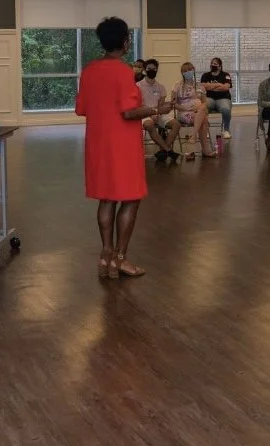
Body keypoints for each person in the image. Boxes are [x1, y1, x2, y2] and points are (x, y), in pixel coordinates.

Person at [75, 17, 159, 279]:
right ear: (125, 42)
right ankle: (121, 259)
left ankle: (105, 255)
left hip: (98, 143)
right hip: (122, 145)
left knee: (107, 198)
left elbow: (82, 108)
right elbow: (129, 112)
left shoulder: (89, 70)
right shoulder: (123, 72)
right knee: (131, 198)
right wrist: (155, 109)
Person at [138, 59, 180, 162]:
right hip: (144, 114)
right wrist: (151, 113)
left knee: (176, 124)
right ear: (144, 70)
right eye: (149, 69)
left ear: (157, 70)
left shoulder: (161, 87)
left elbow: (161, 105)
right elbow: (139, 105)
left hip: (158, 113)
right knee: (149, 125)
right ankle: (168, 150)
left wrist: (169, 105)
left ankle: (163, 150)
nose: (151, 71)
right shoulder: (138, 86)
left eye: (154, 69)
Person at [173, 62, 217, 159]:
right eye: (185, 71)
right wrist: (186, 108)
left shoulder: (200, 86)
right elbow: (174, 104)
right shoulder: (177, 86)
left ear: (193, 70)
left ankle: (192, 136)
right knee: (204, 120)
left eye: (190, 70)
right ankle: (205, 150)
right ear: (182, 73)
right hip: (184, 113)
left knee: (202, 109)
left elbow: (204, 102)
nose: (188, 72)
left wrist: (199, 108)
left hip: (198, 112)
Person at [200, 56, 233, 139]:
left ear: (220, 66)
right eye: (211, 63)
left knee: (226, 109)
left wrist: (210, 86)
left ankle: (226, 130)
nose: (212, 65)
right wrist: (219, 85)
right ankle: (205, 130)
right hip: (209, 98)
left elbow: (226, 87)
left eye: (215, 64)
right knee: (203, 108)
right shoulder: (205, 75)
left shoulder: (226, 75)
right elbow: (203, 86)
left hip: (223, 98)